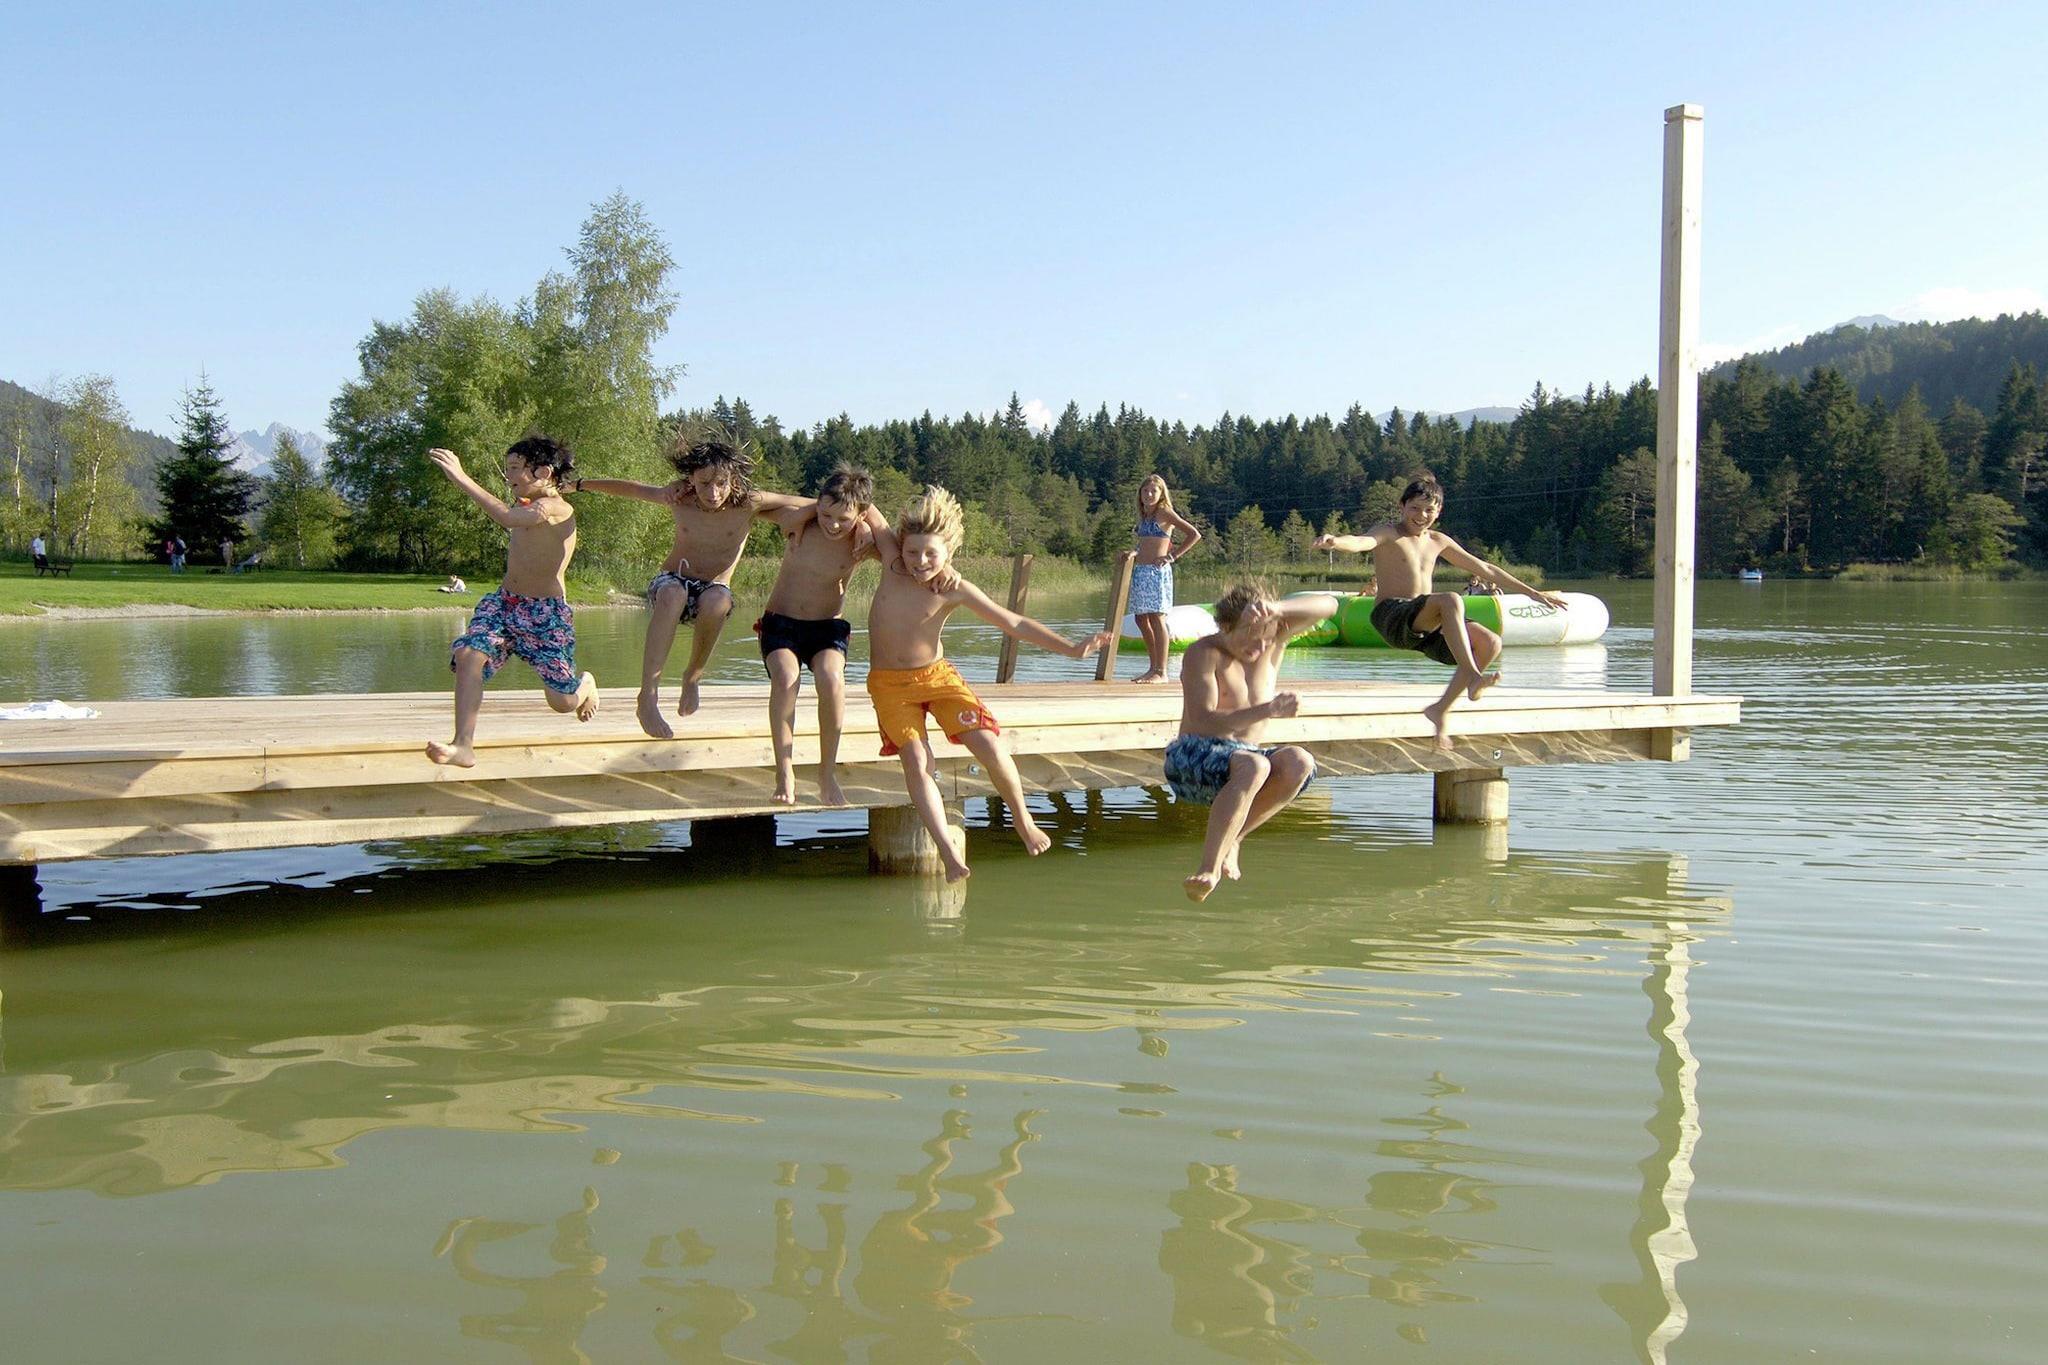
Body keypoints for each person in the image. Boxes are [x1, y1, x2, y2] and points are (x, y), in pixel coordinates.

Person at [866, 484, 1111, 883]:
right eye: (913, 552)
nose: (920, 561)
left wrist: (1071, 649)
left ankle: (1022, 818)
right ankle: (949, 854)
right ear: (901, 546)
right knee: (917, 759)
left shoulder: (954, 588)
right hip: (890, 686)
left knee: (990, 743)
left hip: (937, 677)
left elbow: (1013, 622)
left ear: (949, 552)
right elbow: (863, 504)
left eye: (931, 554)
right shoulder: (893, 561)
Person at [570, 427, 809, 738]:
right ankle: (647, 698)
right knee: (673, 594)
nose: (713, 493)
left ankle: (693, 677)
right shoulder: (679, 498)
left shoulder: (750, 503)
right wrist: (580, 484)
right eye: (704, 483)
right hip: (673, 579)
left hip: (714, 588)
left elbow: (812, 504)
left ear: (733, 481)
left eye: (721, 484)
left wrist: (863, 517)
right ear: (691, 479)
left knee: (718, 601)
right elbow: (630, 489)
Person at [1314, 473, 1566, 750]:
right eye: (1414, 508)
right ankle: (1473, 676)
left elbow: (1485, 569)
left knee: (1491, 642)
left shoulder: (1438, 541)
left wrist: (1533, 593)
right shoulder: (1389, 532)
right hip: (1392, 615)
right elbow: (1362, 541)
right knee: (1450, 600)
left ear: (1439, 511)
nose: (1421, 516)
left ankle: (1440, 709)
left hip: (1425, 623)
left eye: (1428, 510)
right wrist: (1336, 541)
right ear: (1401, 506)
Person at [424, 435, 599, 767]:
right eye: (508, 468)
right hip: (505, 604)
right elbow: (515, 511)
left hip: (545, 614)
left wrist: (461, 476)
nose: (509, 476)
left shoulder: (555, 509)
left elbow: (507, 517)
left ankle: (585, 685)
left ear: (544, 472)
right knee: (468, 654)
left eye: (516, 468)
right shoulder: (528, 502)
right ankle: (463, 745)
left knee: (562, 702)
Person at [1167, 582, 1337, 902]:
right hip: (1191, 758)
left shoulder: (1272, 645)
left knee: (1299, 761)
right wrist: (1268, 710)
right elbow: (1202, 721)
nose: (1258, 648)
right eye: (1249, 635)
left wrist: (1278, 609)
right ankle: (1209, 868)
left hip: (1244, 758)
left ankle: (1235, 837)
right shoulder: (1204, 653)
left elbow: (1329, 605)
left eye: (1266, 638)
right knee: (1255, 765)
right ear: (1226, 626)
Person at [753, 463, 904, 807]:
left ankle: (827, 772)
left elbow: (897, 553)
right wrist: (807, 510)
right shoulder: (800, 522)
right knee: (786, 678)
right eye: (826, 514)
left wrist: (868, 522)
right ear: (818, 504)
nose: (833, 525)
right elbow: (754, 503)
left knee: (832, 679)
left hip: (826, 628)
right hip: (781, 624)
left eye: (843, 519)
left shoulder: (862, 542)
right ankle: (785, 771)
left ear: (861, 514)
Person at [1127, 474, 1202, 683]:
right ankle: (1152, 668)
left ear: (1161, 493)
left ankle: (1162, 671)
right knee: (1140, 619)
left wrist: (1172, 556)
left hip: (1156, 572)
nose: (1149, 494)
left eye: (1154, 491)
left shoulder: (1164, 512)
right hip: (1141, 572)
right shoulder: (1145, 515)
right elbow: (1146, 543)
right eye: (1145, 491)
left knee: (1156, 618)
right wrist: (1134, 552)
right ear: (1140, 494)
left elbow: (1194, 534)